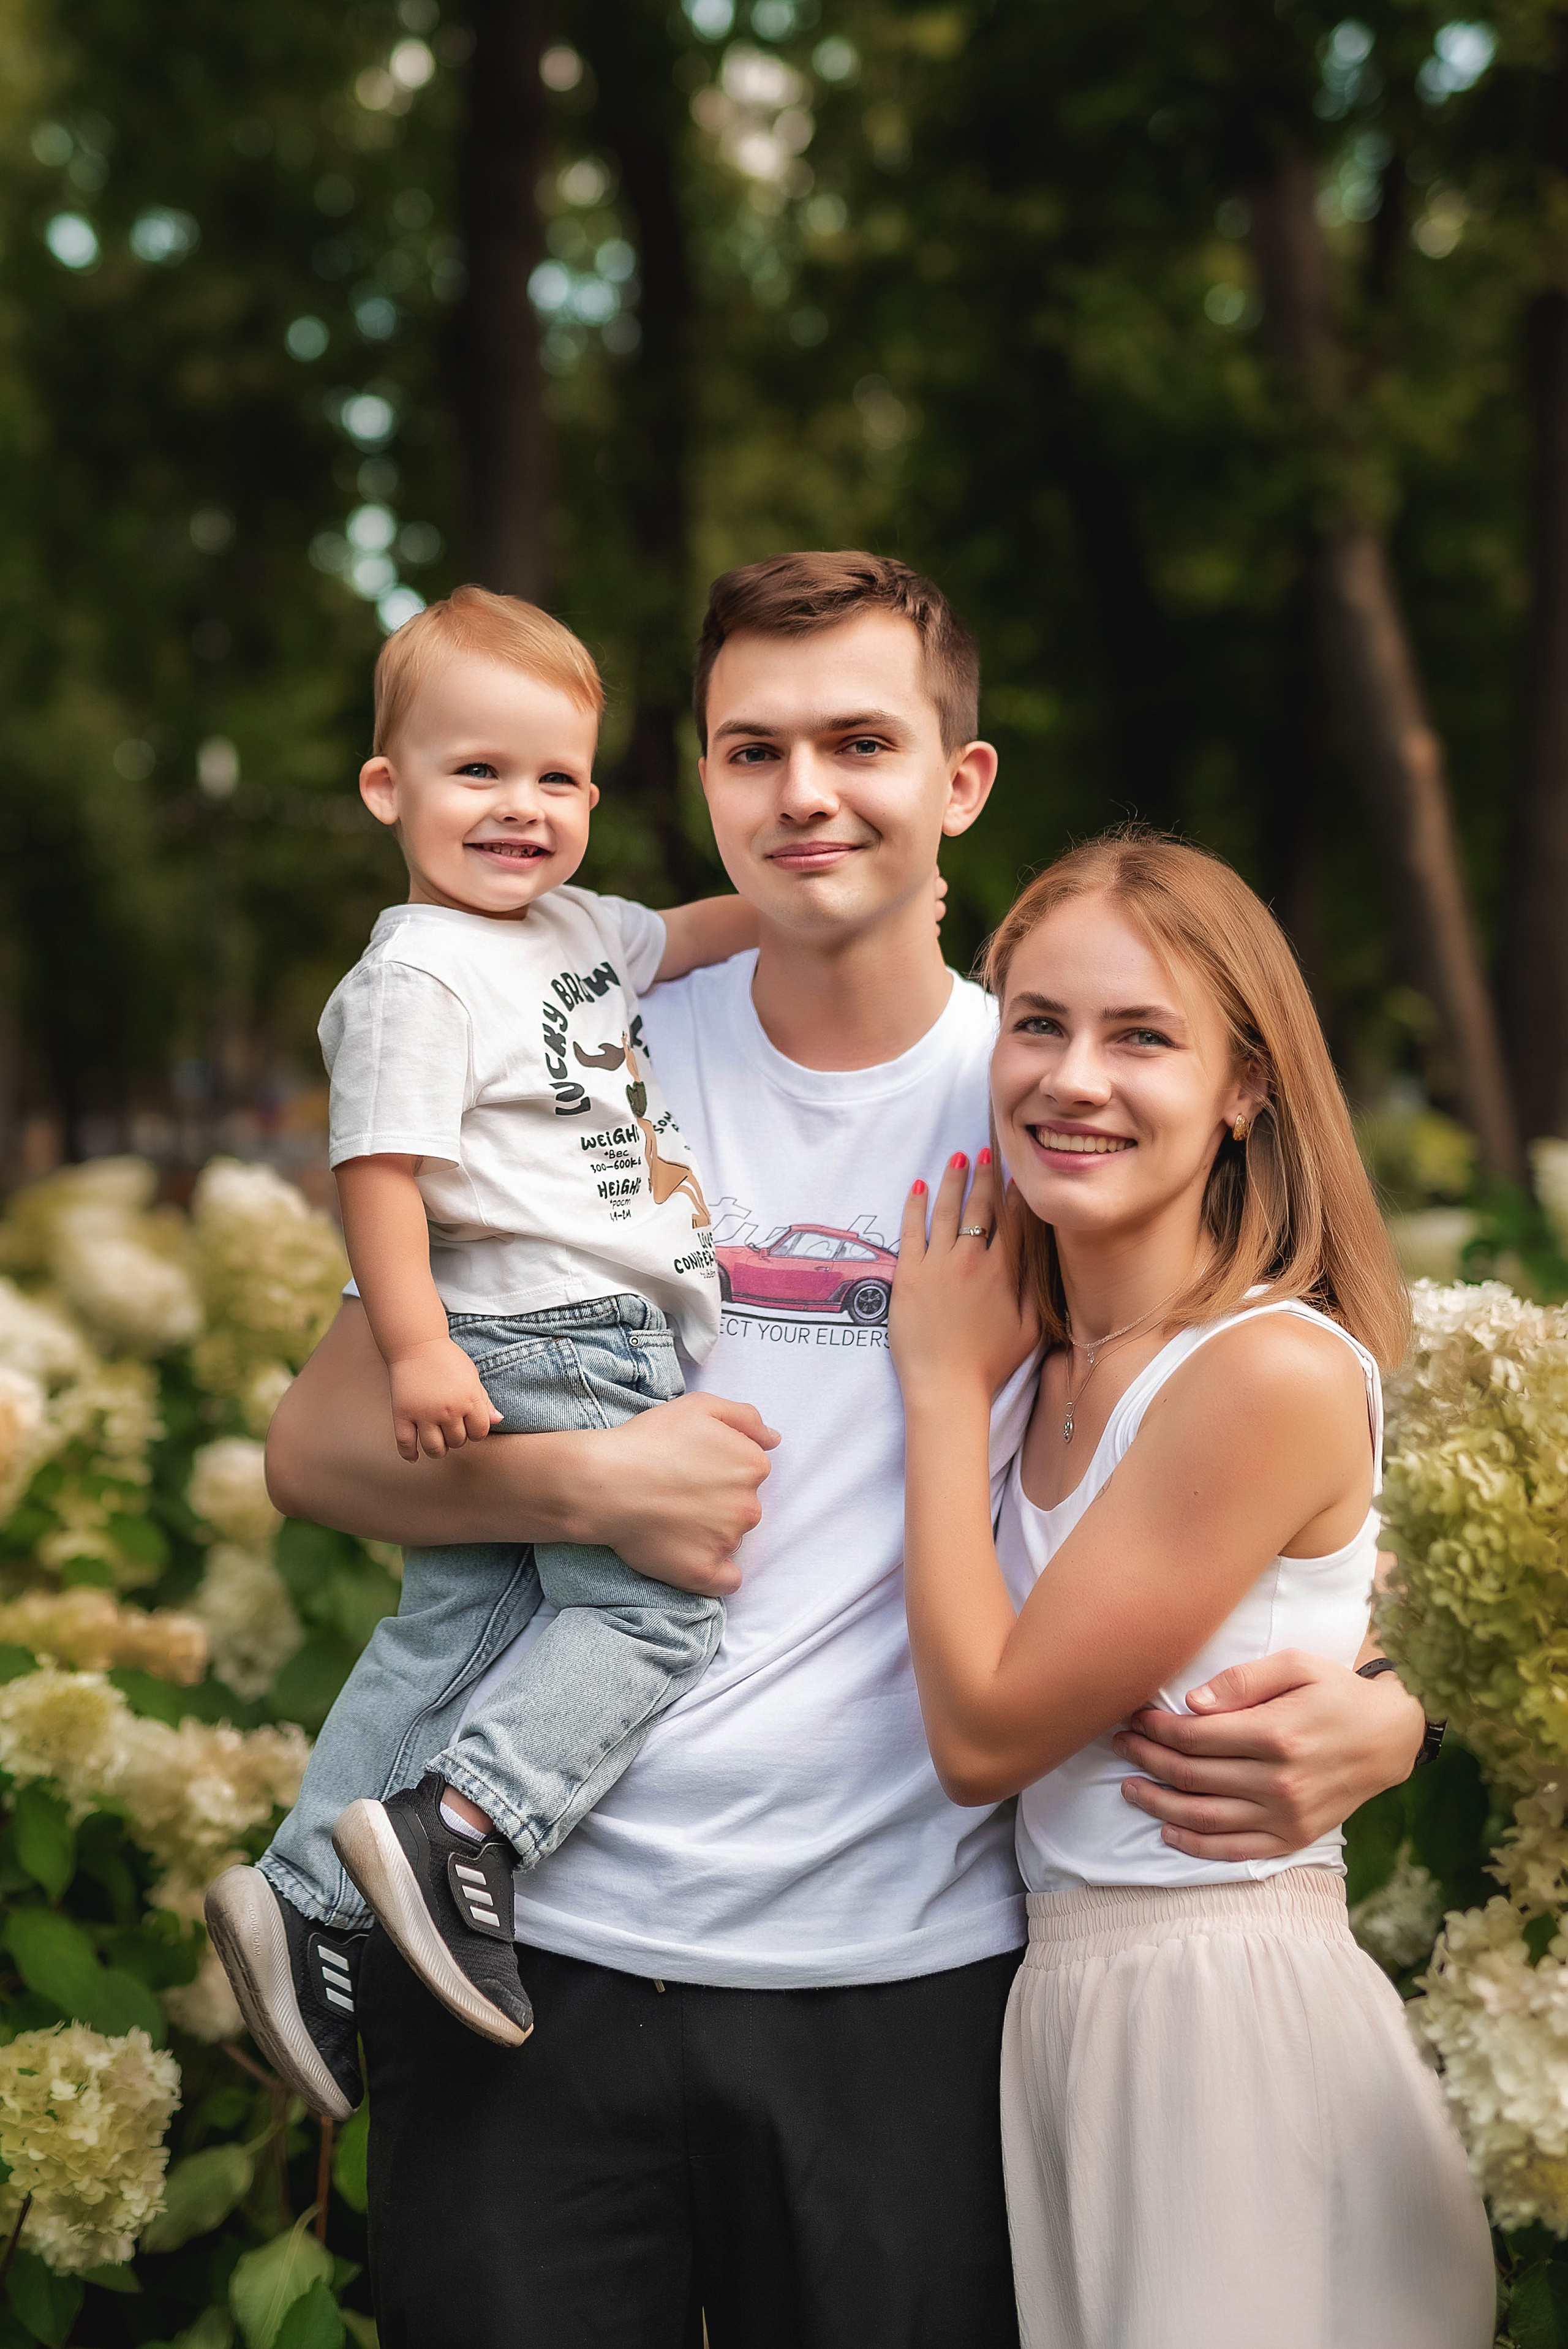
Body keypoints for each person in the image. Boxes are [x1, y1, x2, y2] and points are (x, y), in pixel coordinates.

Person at [264, 553, 1432, 2349]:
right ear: (707, 786)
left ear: (958, 782)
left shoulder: (1052, 1095)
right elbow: (321, 1445)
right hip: (532, 1950)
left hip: (912, 1985)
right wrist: (588, 1484)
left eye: (863, 741)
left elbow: (1234, 1415)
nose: (806, 794)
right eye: (754, 750)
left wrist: (1381, 1696)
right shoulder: (583, 1047)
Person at [888, 831, 1493, 2349]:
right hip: (1075, 2012)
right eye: (1036, 1022)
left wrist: (939, 1393)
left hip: (1224, 2032)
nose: (1070, 1078)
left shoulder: (1260, 1370)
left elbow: (982, 1736)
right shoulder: (1045, 1354)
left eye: (1140, 1036)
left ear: (1242, 1088)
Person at [206, 586, 759, 2113]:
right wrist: (418, 1348)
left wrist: (821, 896)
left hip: (555, 1320)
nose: (521, 809)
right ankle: (470, 1822)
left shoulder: (576, 929)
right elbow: (375, 1173)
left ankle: (305, 1892)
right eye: (477, 774)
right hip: (549, 1328)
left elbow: (698, 930)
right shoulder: (416, 974)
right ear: (389, 790)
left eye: (556, 779)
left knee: (456, 1621)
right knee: (651, 1615)